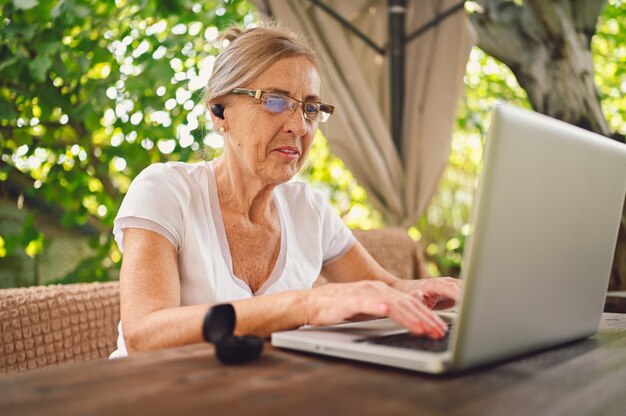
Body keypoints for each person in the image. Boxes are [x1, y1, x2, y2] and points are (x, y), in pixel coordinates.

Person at [110, 23, 461, 358]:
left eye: (310, 108)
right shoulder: (165, 191)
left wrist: (426, 290)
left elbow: (387, 289)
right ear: (220, 113)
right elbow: (145, 334)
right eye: (275, 101)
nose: (298, 126)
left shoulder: (308, 208)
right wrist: (305, 305)